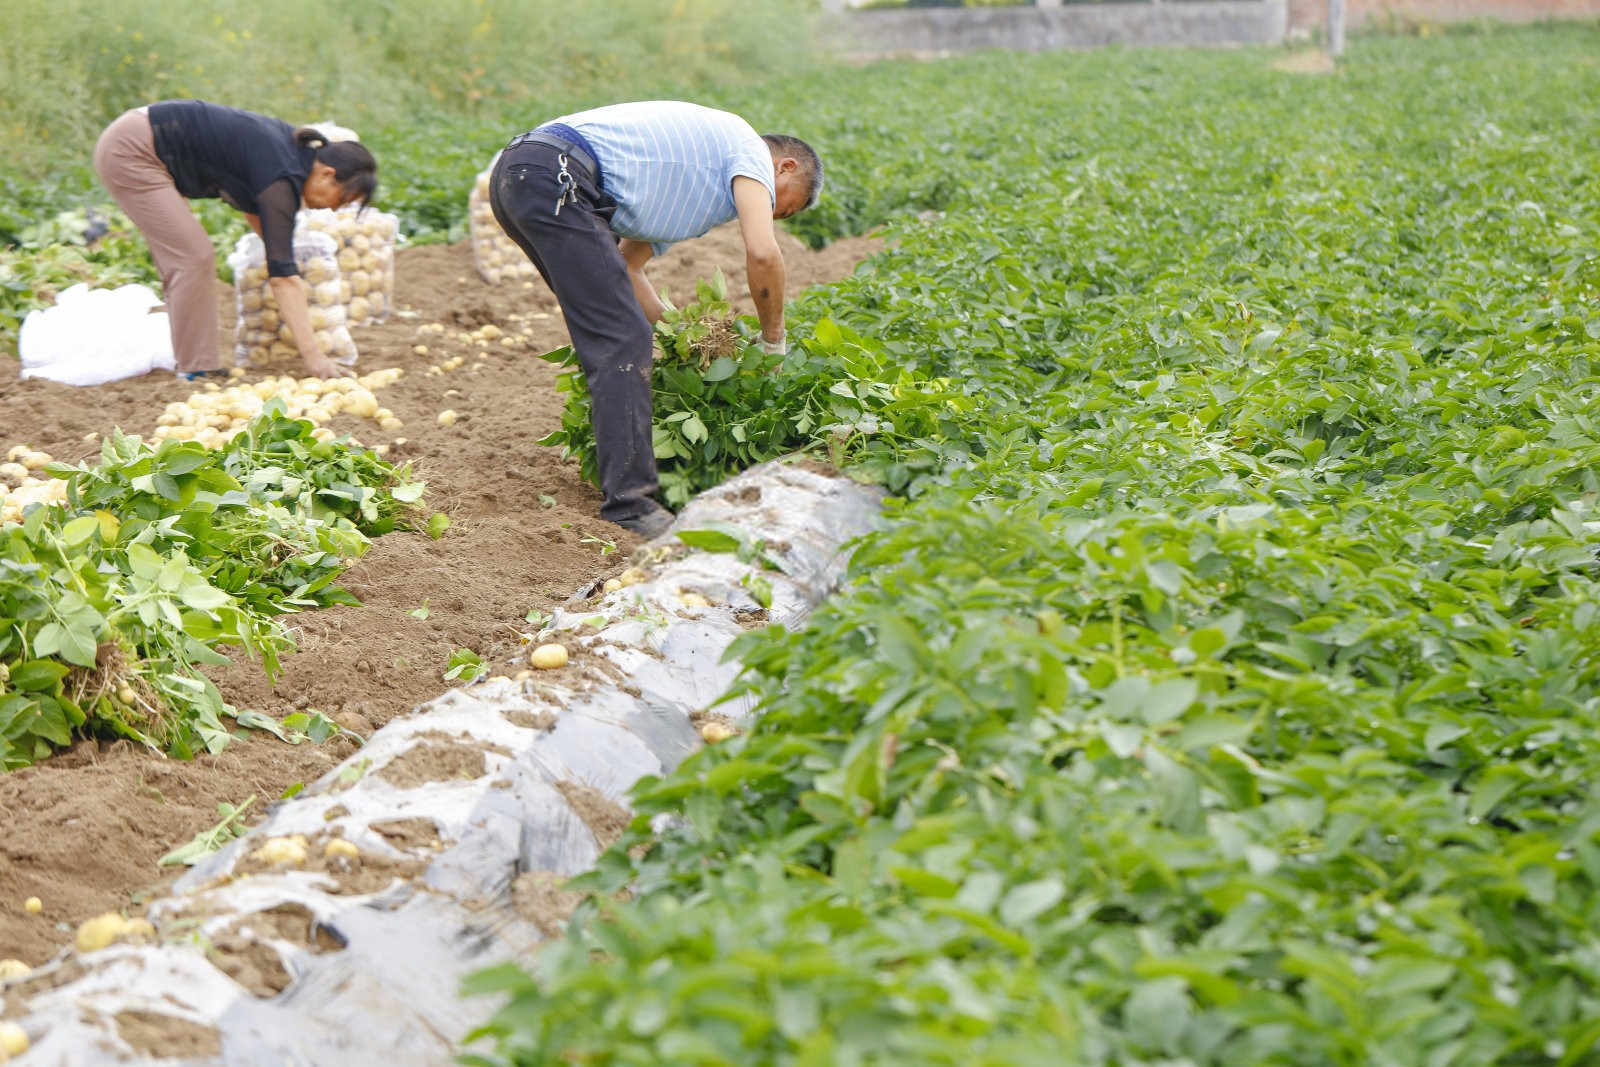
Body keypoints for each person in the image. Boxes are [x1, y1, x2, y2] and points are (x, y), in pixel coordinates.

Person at [488, 101, 823, 537]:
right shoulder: (749, 151)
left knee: (619, 330)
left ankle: (624, 488)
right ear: (785, 167)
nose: (778, 216)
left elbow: (628, 271)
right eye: (787, 209)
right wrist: (773, 338)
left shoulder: (694, 193)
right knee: (621, 340)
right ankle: (630, 505)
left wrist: (690, 338)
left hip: (525, 177)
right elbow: (762, 252)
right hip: (556, 176)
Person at [93, 100, 378, 381]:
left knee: (188, 256)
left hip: (140, 138)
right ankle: (195, 369)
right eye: (342, 199)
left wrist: (299, 265)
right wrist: (314, 356)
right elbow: (282, 277)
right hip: (133, 150)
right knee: (193, 256)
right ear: (328, 175)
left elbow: (276, 248)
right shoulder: (282, 179)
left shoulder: (291, 156)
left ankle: (195, 363)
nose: (333, 209)